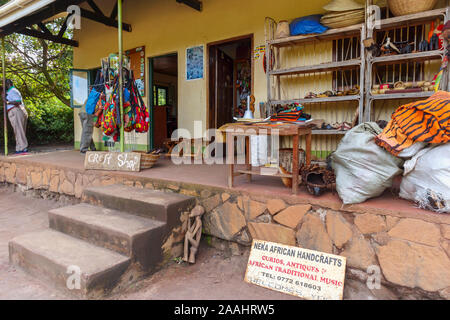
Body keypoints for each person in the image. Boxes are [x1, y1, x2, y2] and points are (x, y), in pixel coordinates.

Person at [2, 79, 28, 154]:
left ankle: (23, 148)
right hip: (16, 111)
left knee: (19, 130)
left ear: (7, 84)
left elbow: (18, 102)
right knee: (18, 130)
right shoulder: (10, 92)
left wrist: (7, 102)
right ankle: (19, 148)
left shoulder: (12, 91)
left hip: (16, 110)